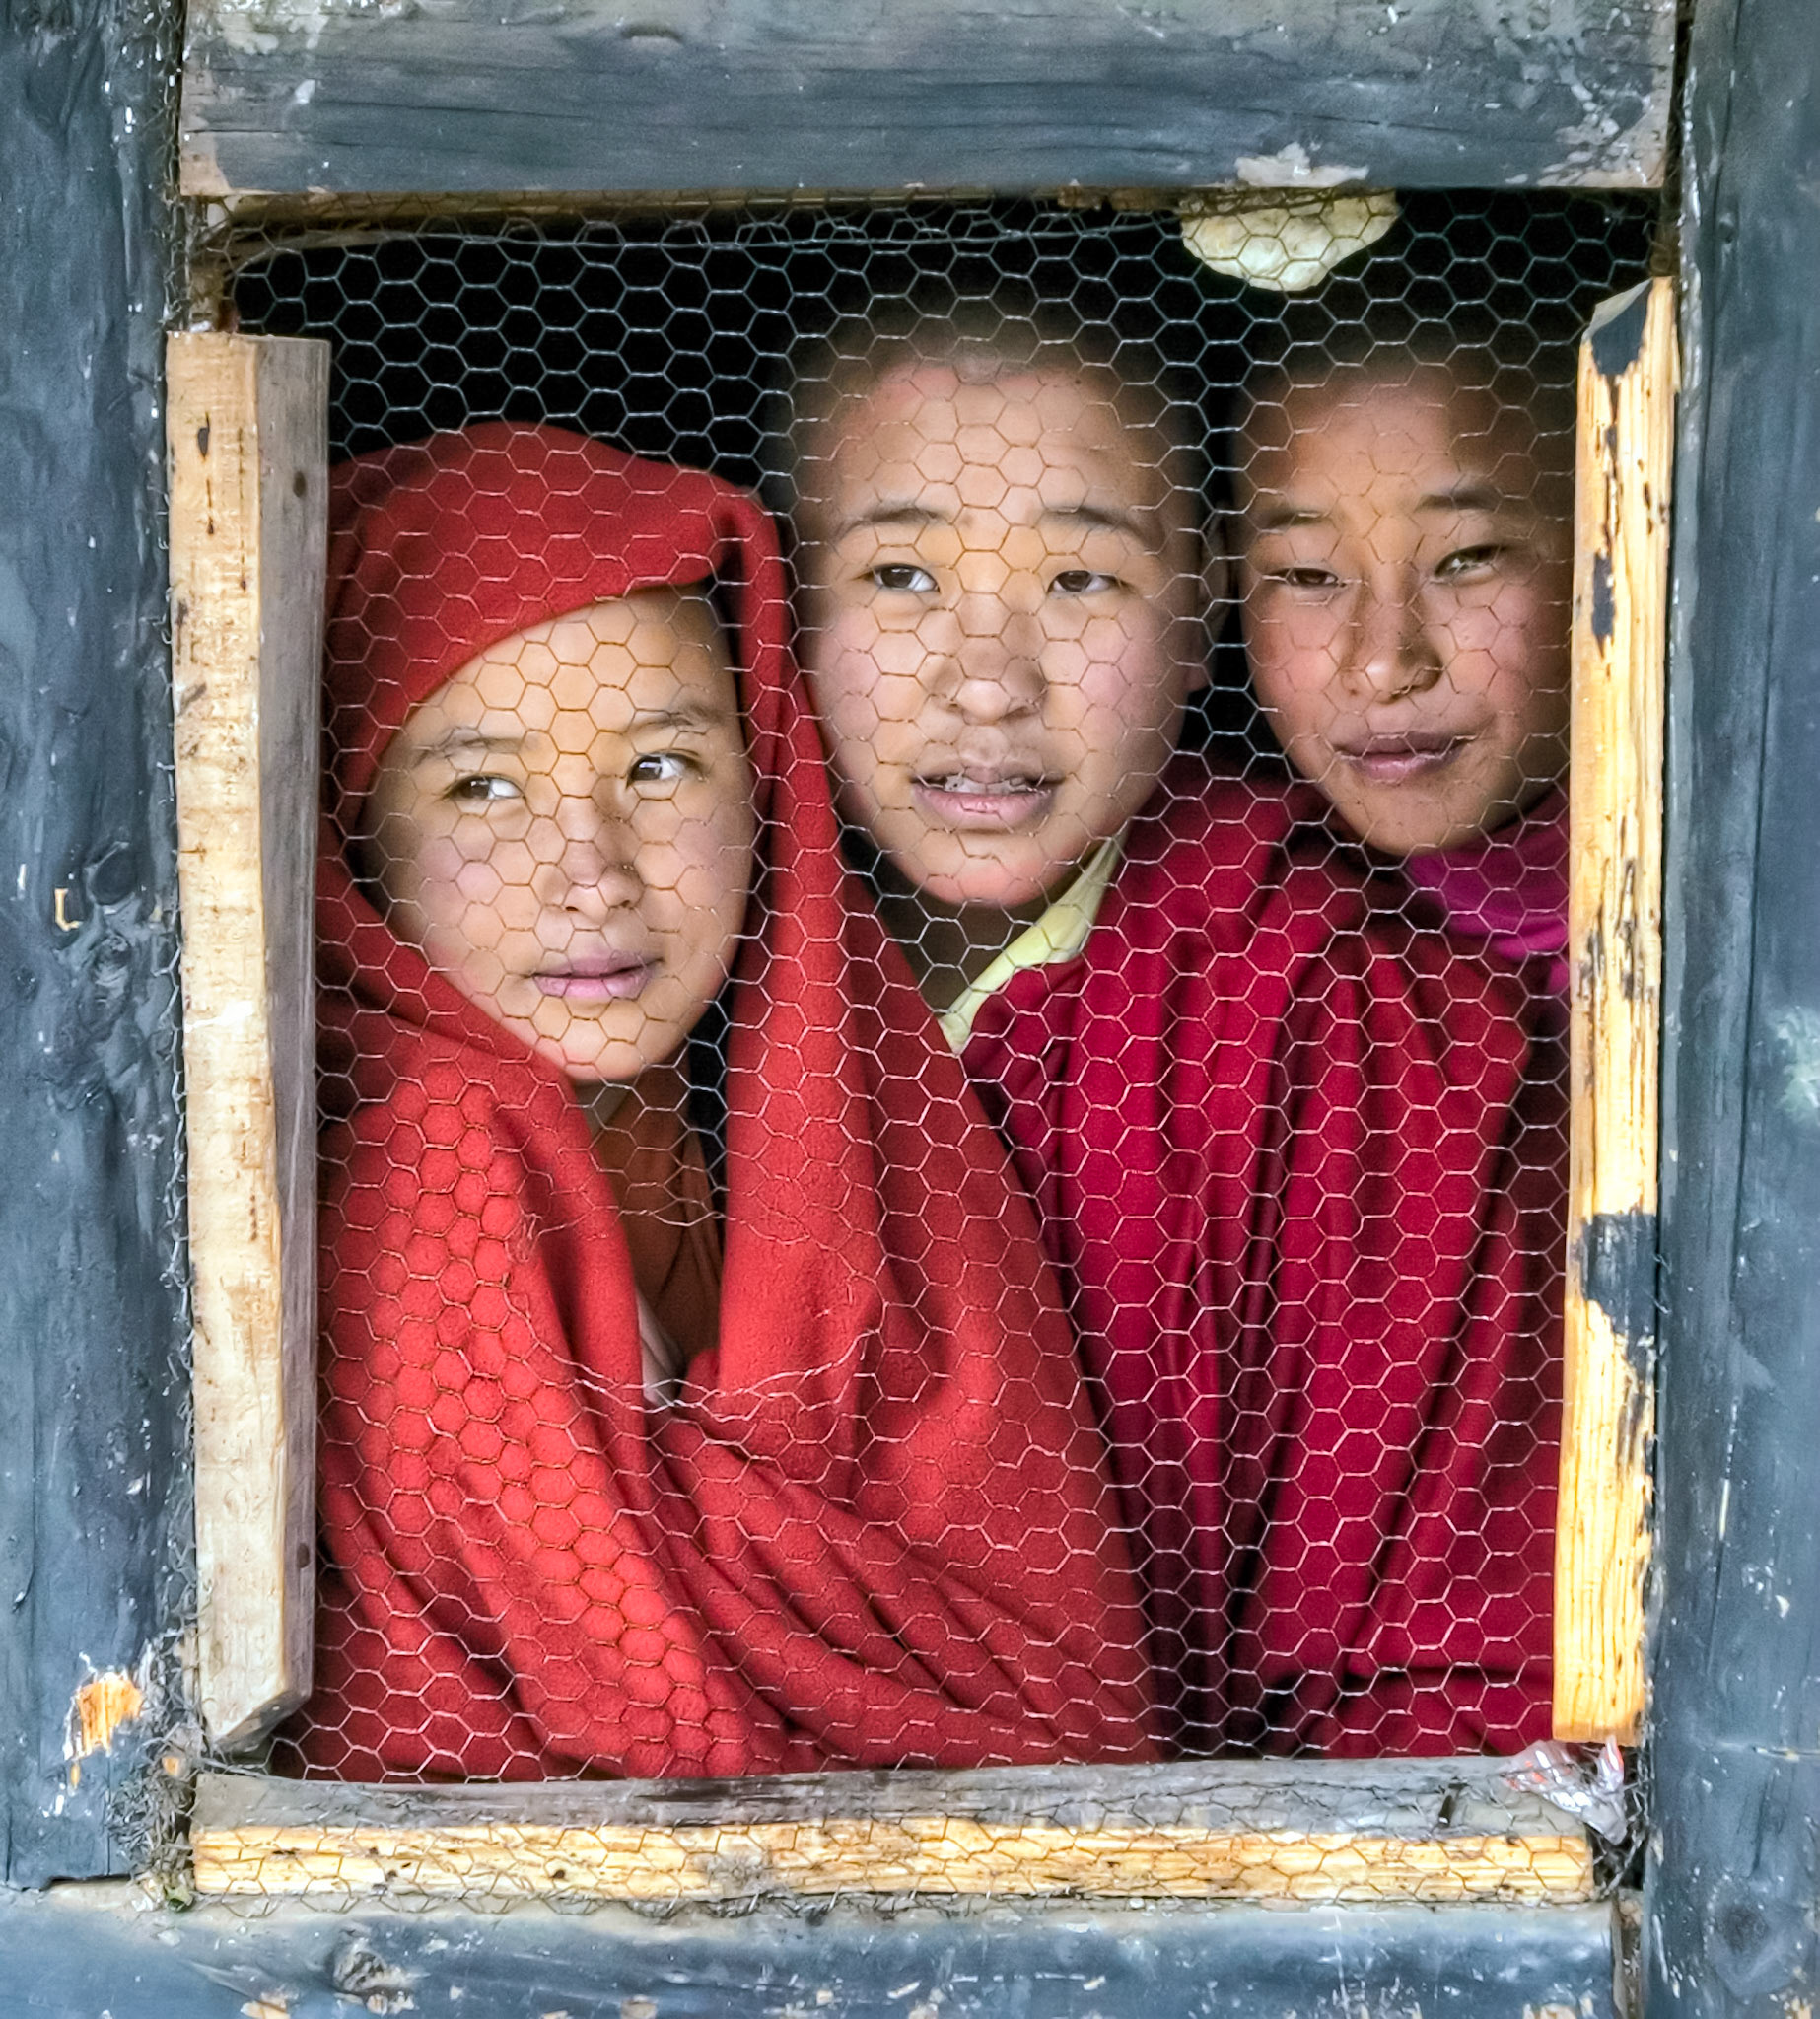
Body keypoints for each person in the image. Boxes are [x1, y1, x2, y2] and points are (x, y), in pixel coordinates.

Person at [289, 419, 1155, 1782]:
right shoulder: (426, 1159)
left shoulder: (791, 1117)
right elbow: (659, 1742)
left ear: (768, 788)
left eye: (657, 768)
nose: (590, 873)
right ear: (353, 827)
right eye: (482, 786)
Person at [780, 288, 1560, 1758]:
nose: (986, 681)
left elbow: (1463, 1661)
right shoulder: (666, 973)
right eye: (897, 576)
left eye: (1078, 581)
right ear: (780, 611)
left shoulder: (1361, 1004)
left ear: (1203, 615)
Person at [1231, 333, 1575, 1011]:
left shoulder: (1748, 910)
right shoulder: (1236, 927)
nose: (1385, 663)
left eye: (1467, 558)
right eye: (1307, 573)